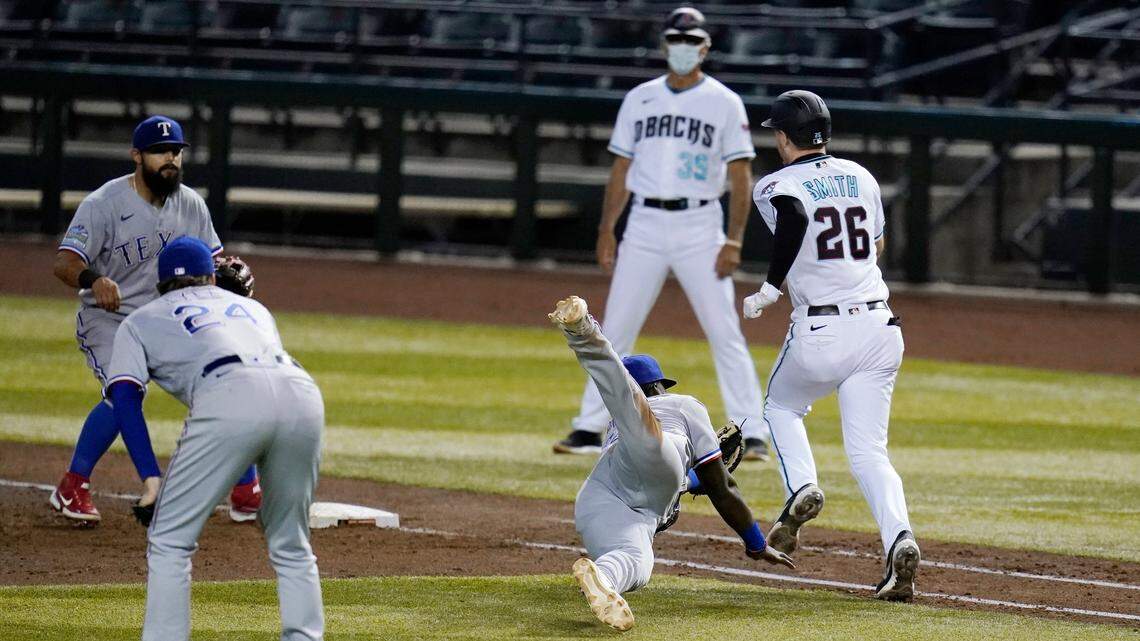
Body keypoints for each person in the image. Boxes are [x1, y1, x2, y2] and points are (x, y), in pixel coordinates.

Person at [553, 6, 771, 462]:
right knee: (615, 328)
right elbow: (621, 167)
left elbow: (741, 174)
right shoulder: (640, 98)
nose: (684, 48)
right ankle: (590, 426)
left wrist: (734, 239)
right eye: (677, 39)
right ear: (664, 44)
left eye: (692, 41)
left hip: (699, 223)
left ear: (706, 47)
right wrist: (607, 228)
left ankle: (752, 432)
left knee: (723, 329)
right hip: (646, 222)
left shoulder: (725, 102)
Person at [743, 90, 920, 601]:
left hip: (822, 327)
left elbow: (795, 220)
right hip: (881, 325)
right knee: (870, 452)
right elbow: (879, 245)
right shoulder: (862, 176)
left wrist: (772, 288)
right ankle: (900, 540)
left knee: (780, 405)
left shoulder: (774, 183)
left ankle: (801, 487)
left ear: (781, 136)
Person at [105, 236, 325, 641]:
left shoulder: (140, 320)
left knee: (170, 539)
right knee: (291, 541)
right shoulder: (255, 308)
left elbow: (124, 397)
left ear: (160, 284)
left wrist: (151, 477)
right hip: (302, 391)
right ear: (210, 274)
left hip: (228, 393)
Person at [50, 115, 260, 524]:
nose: (170, 160)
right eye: (161, 152)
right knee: (124, 392)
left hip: (171, 321)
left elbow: (211, 260)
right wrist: (94, 280)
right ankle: (73, 486)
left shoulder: (191, 203)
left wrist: (226, 275)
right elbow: (64, 262)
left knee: (222, 381)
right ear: (137, 156)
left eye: (176, 152)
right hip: (110, 319)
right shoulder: (103, 204)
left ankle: (245, 488)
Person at [548, 296, 794, 631]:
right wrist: (755, 543)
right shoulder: (683, 405)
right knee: (628, 402)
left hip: (598, 501)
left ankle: (603, 578)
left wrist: (694, 479)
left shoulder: (615, 425)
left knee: (638, 562)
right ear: (658, 386)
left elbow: (660, 478)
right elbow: (724, 489)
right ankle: (583, 328)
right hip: (652, 463)